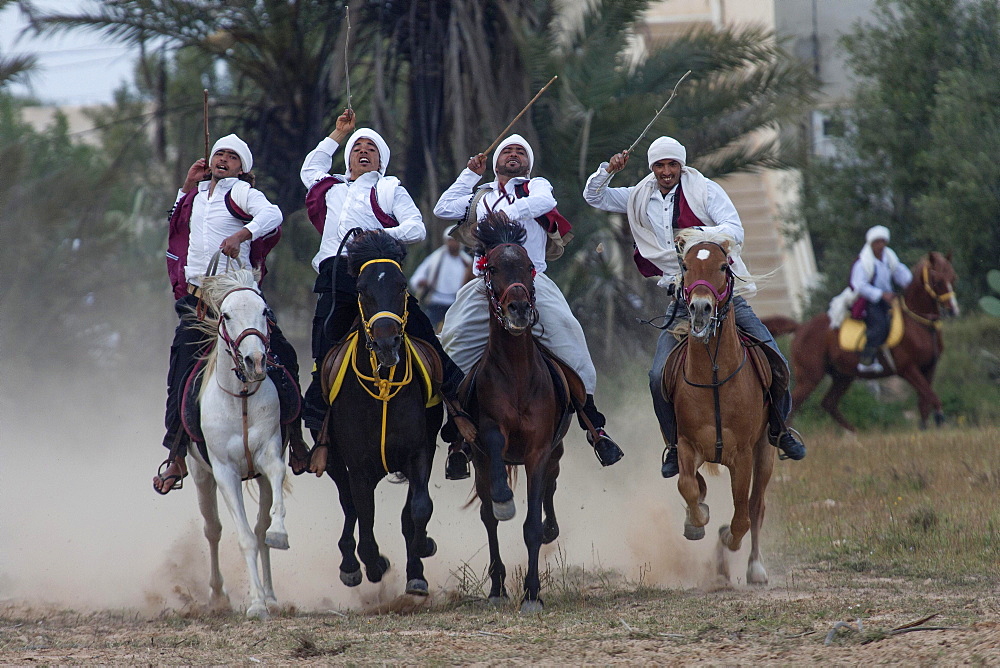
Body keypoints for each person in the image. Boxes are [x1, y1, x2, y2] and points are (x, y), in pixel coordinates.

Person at [582, 136, 806, 479]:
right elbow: (594, 196)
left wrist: (693, 237)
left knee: (775, 359)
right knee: (658, 376)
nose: (666, 171)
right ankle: (673, 446)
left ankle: (780, 430)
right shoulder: (640, 195)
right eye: (660, 166)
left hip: (722, 294)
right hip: (680, 301)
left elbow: (735, 231)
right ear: (652, 168)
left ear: (681, 166)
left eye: (672, 165)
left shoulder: (706, 190)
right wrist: (608, 170)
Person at [433, 134, 625, 479]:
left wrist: (505, 212)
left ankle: (594, 426)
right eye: (507, 150)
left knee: (570, 335)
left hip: (532, 282)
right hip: (486, 285)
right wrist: (468, 175)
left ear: (528, 163)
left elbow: (543, 203)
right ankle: (456, 435)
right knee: (451, 344)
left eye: (521, 151)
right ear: (495, 162)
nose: (514, 154)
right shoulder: (480, 196)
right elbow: (442, 209)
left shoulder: (536, 187)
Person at [300, 109, 474, 473]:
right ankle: (319, 433)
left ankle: (457, 411)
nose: (363, 151)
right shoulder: (330, 187)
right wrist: (336, 133)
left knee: (424, 333)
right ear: (347, 158)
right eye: (357, 147)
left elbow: (416, 229)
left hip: (375, 276)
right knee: (322, 349)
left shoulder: (389, 187)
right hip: (334, 277)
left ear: (381, 160)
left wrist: (376, 238)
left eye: (372, 148)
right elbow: (309, 169)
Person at [153, 134, 308, 494]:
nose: (223, 159)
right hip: (197, 302)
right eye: (218, 153)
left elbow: (273, 214)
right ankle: (176, 453)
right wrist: (188, 185)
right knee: (179, 368)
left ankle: (295, 438)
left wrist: (242, 234)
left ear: (242, 167)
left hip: (237, 297)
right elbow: (176, 226)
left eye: (232, 156)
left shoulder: (239, 192)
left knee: (283, 356)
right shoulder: (195, 195)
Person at [848, 225, 912, 373]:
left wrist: (911, 283)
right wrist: (881, 295)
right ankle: (866, 360)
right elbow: (859, 285)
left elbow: (900, 272)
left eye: (883, 242)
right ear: (871, 244)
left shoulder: (890, 258)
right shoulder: (863, 263)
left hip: (889, 300)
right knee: (879, 326)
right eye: (877, 242)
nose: (881, 246)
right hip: (870, 302)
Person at [409, 227, 473, 329]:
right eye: (450, 240)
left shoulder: (467, 262)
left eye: (456, 240)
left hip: (457, 305)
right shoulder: (434, 258)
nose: (453, 243)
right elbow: (416, 279)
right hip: (436, 303)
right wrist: (422, 282)